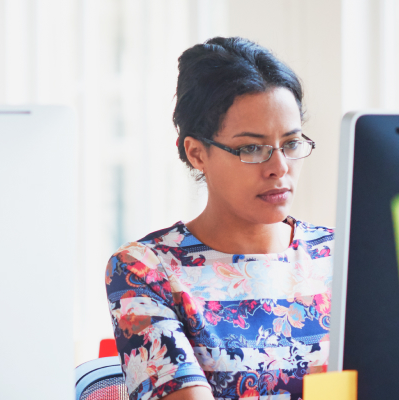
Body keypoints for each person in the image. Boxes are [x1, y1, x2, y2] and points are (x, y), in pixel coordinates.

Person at [104, 37, 334, 400]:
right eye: (251, 148)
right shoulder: (146, 270)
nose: (279, 167)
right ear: (196, 153)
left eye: (290, 143)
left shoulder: (342, 255)